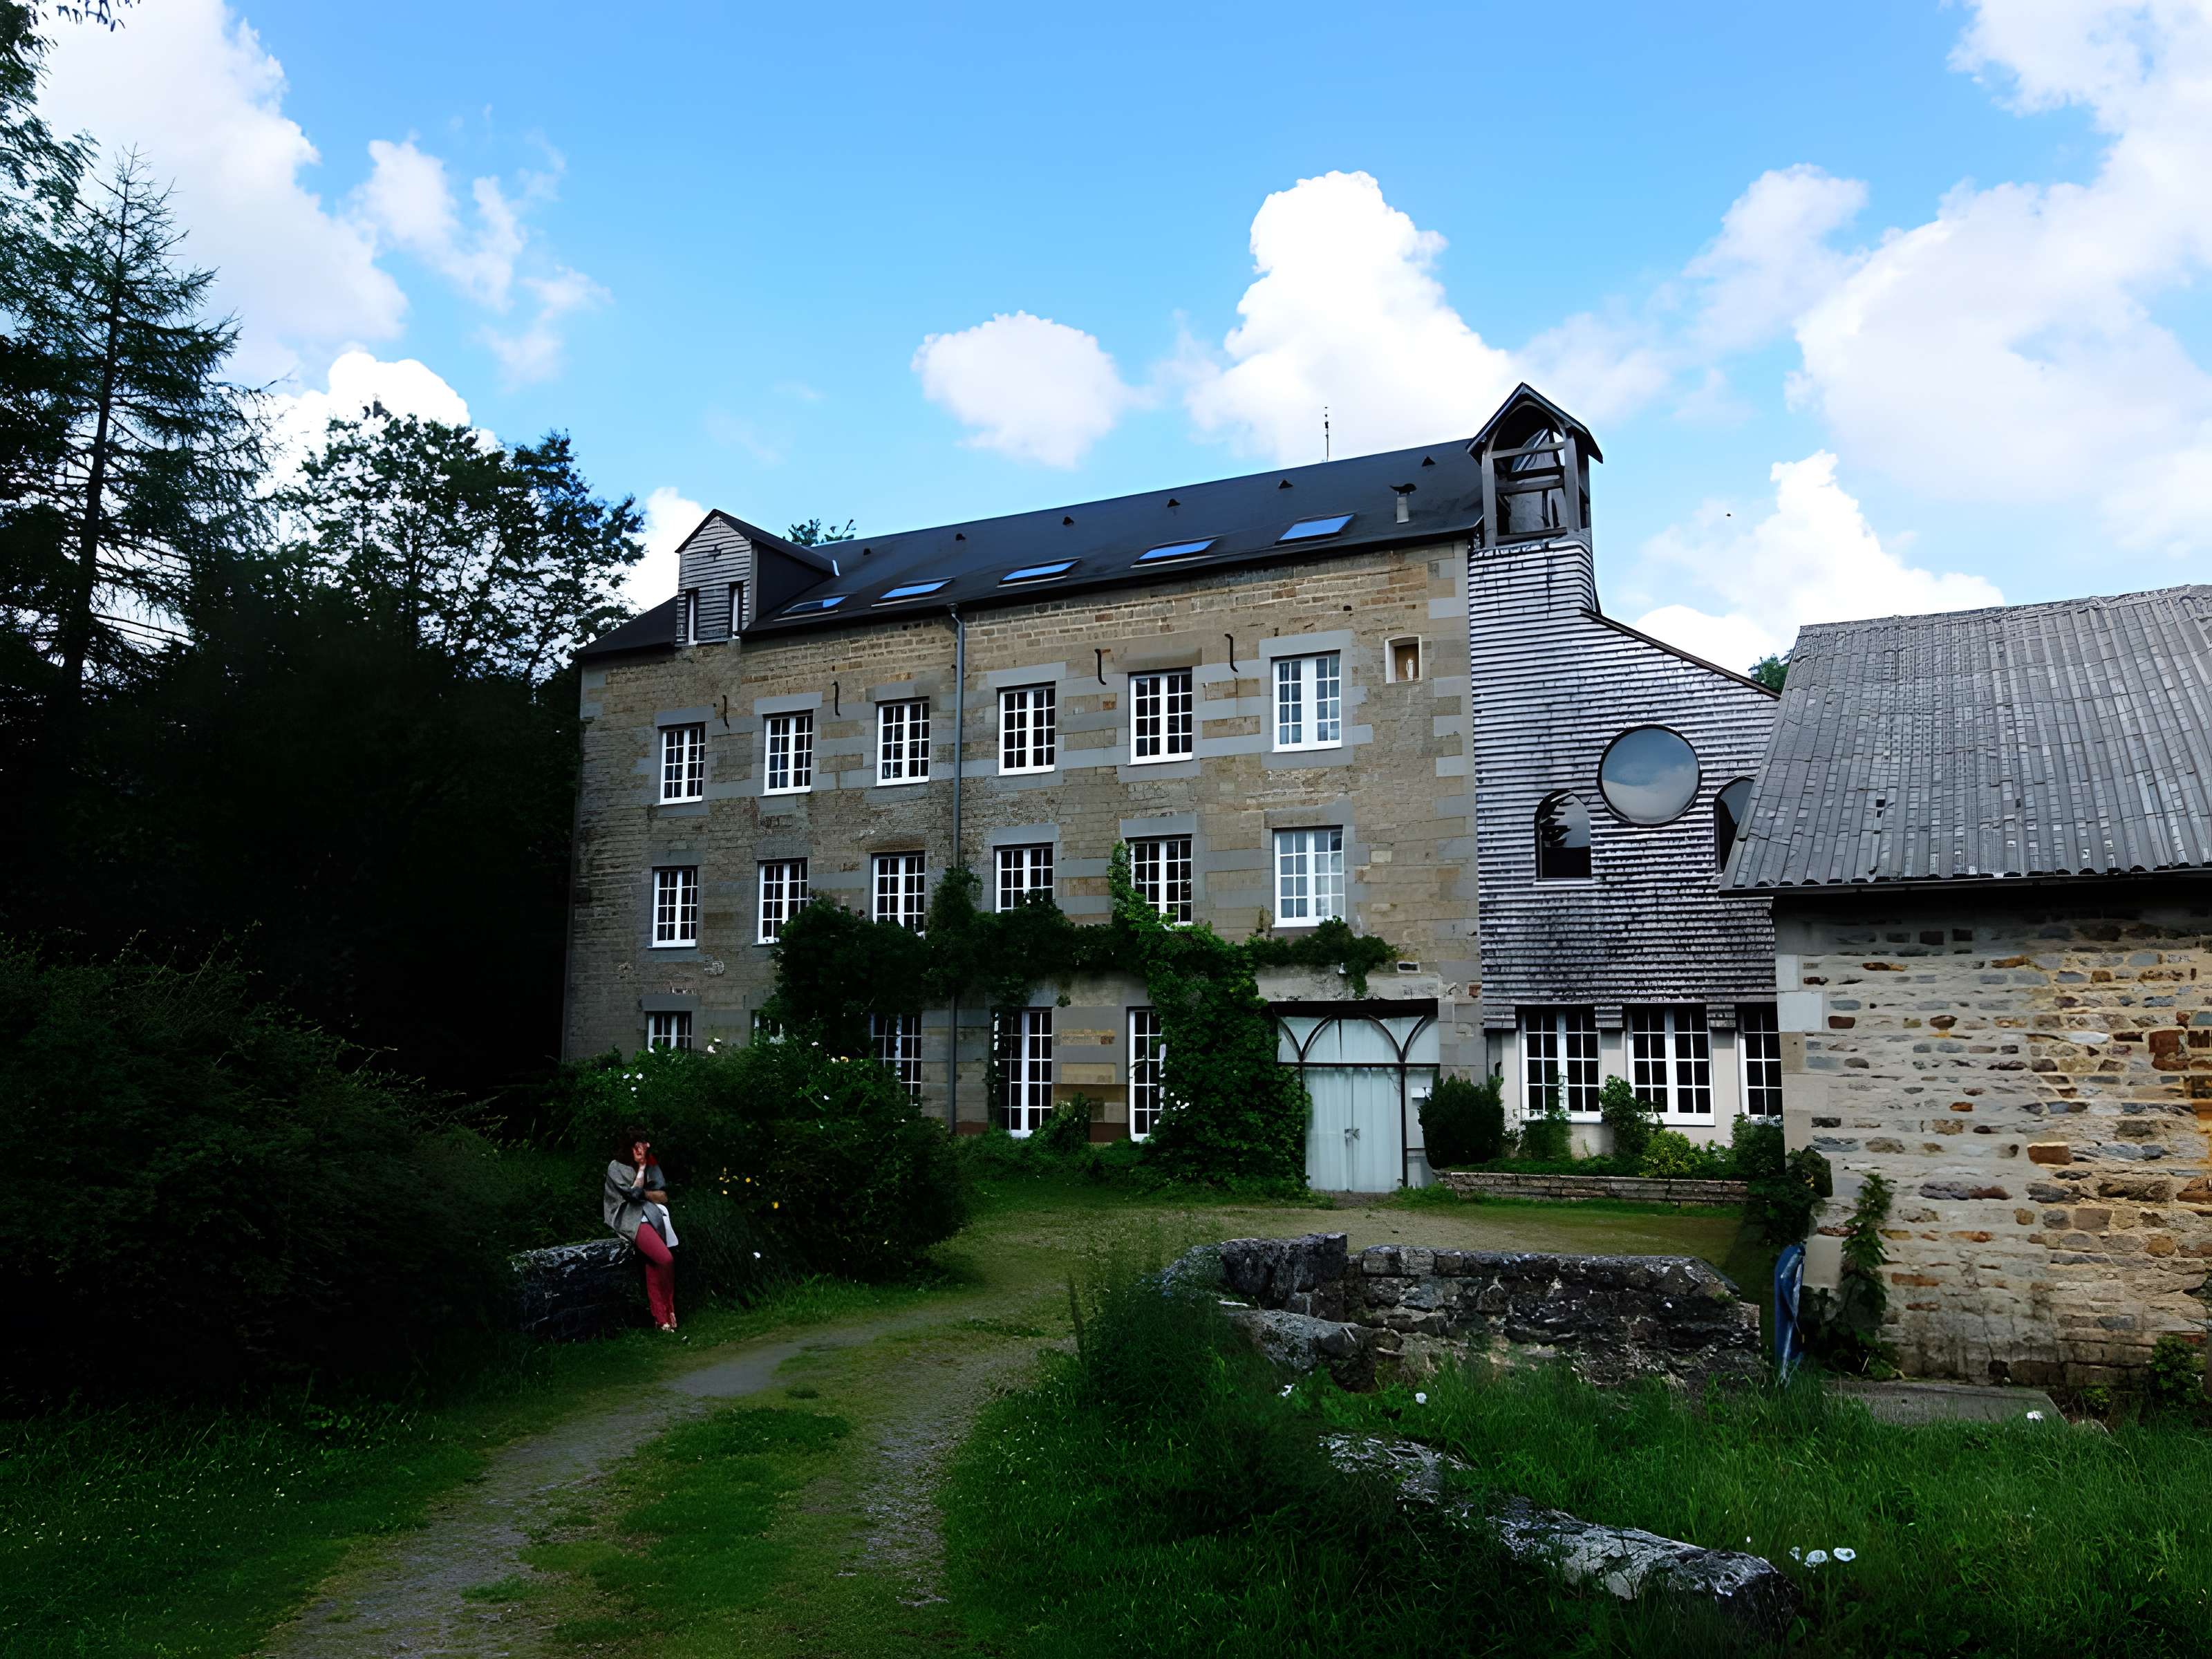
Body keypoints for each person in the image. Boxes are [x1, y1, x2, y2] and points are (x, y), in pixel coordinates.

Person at [605, 1128, 677, 1332]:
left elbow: (663, 1196)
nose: (644, 1148)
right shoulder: (616, 1167)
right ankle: (667, 1310)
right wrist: (643, 1170)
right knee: (665, 1259)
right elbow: (633, 1195)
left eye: (645, 1143)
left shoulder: (650, 1161)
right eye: (639, 1144)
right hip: (629, 1217)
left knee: (654, 1264)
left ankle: (662, 1320)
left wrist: (646, 1188)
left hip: (651, 1216)